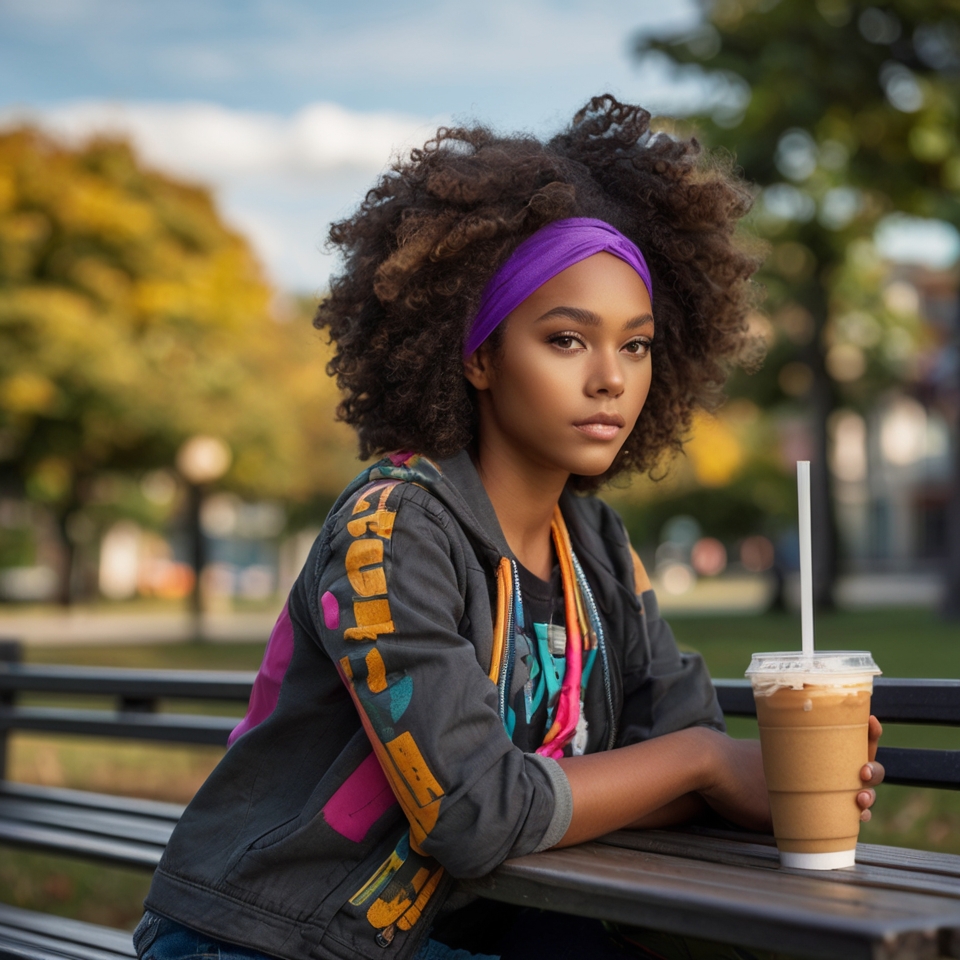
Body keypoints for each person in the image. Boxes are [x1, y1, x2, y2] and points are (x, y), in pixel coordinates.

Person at [133, 96, 883, 960]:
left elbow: (666, 732)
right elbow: (474, 814)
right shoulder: (393, 530)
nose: (611, 380)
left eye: (635, 346)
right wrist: (708, 769)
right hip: (266, 938)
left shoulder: (597, 553)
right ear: (481, 355)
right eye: (567, 341)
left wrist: (751, 772)